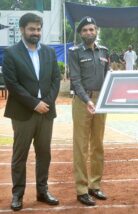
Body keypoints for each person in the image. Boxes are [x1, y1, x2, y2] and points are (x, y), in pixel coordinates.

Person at [2, 13, 60, 211]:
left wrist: (46, 102)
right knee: (20, 156)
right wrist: (34, 103)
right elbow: (12, 84)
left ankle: (42, 191)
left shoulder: (50, 53)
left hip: (46, 112)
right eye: (31, 29)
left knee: (44, 154)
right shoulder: (11, 53)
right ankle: (17, 194)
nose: (36, 33)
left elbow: (55, 80)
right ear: (21, 30)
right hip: (23, 113)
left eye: (38, 29)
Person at [68, 16, 109, 206]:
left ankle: (95, 185)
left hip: (100, 101)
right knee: (81, 146)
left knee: (98, 144)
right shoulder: (75, 52)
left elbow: (109, 77)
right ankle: (82, 189)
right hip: (82, 101)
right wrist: (87, 100)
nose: (89, 33)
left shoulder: (104, 51)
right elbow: (75, 80)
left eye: (92, 29)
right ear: (80, 33)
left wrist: (108, 99)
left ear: (97, 31)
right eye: (85, 30)